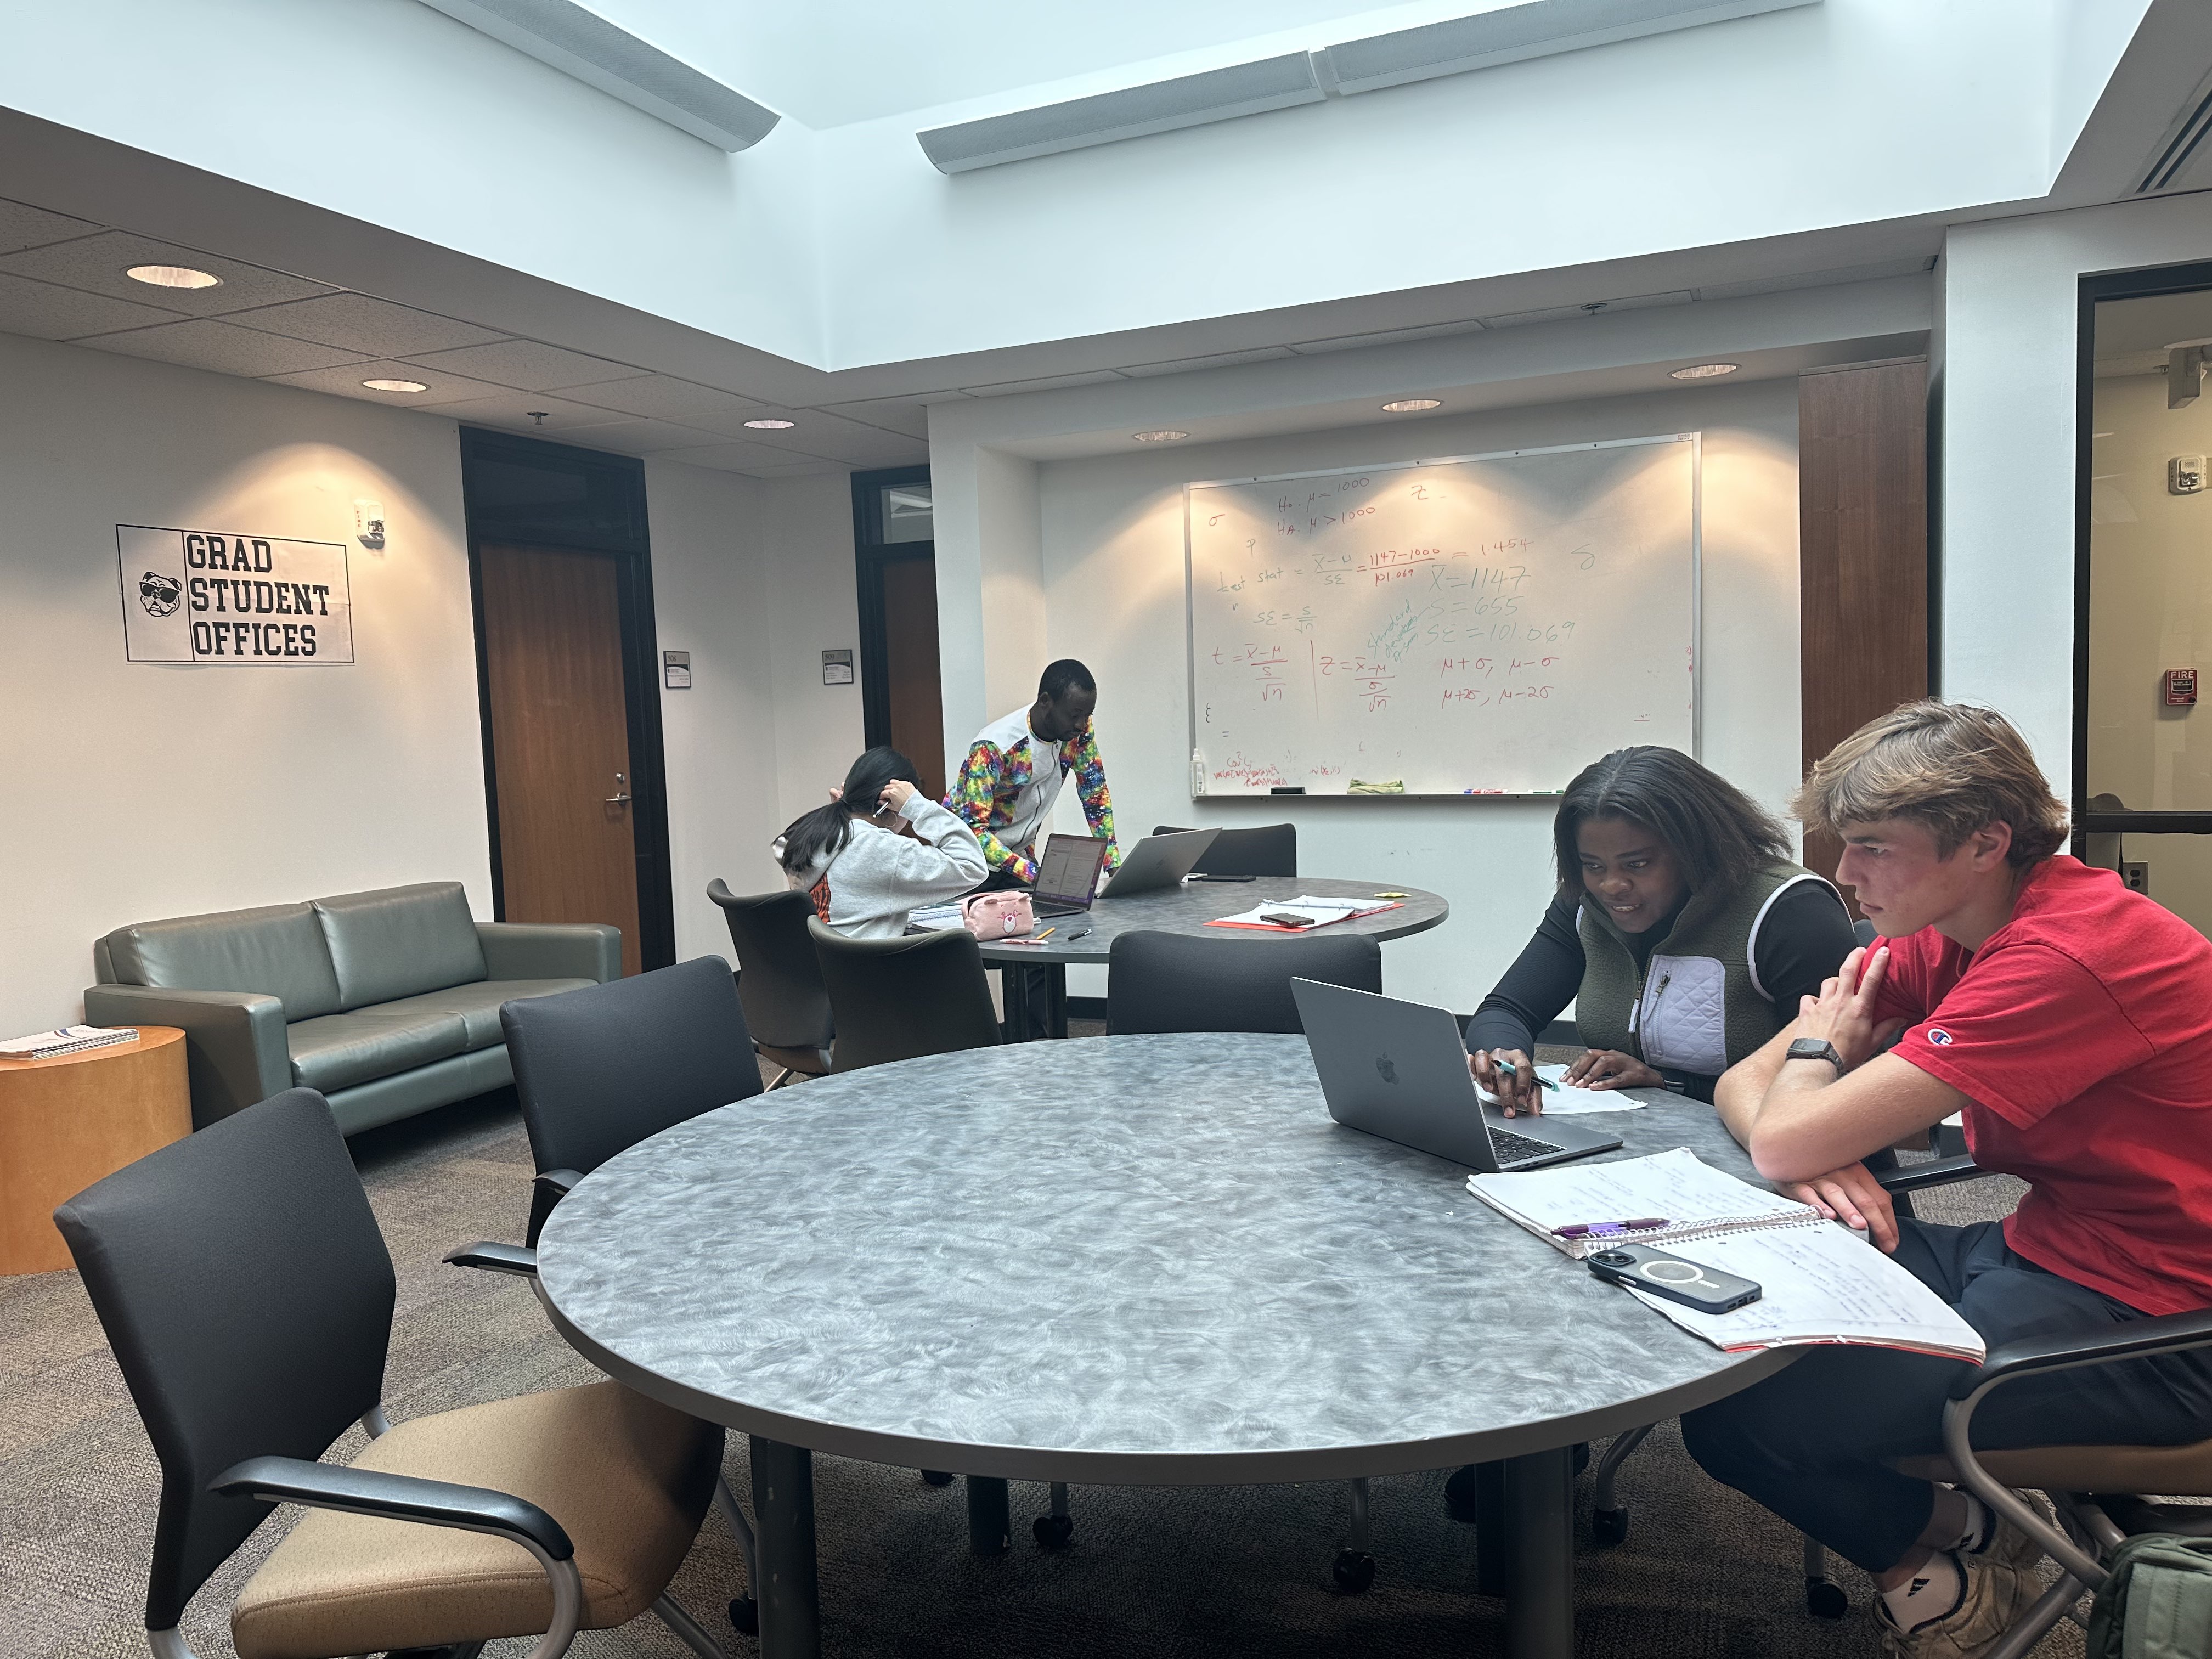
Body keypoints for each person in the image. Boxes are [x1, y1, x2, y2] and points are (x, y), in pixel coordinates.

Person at [1683, 701, 2212, 1658]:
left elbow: (1777, 1122)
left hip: (2164, 1324)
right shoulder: (1962, 922)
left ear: (1985, 841)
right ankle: (1973, 1531)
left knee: (1739, 1408)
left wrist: (1810, 1083)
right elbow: (1740, 1087)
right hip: (2042, 1247)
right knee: (1733, 1311)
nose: (1843, 872)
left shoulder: (2062, 956)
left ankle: (1937, 1581)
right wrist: (1818, 1133)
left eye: (1873, 845)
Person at [1466, 746, 1859, 1114]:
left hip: (1790, 1153)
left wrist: (1671, 1083)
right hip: (1651, 1141)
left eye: (1637, 865)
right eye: (1594, 865)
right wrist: (1502, 1055)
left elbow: (1837, 1080)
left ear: (1697, 849)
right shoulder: (1584, 904)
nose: (1611, 886)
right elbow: (1507, 1009)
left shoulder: (1790, 911)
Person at [778, 746, 986, 939]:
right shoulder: (880, 849)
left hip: (823, 970)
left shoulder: (810, 835)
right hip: (868, 974)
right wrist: (918, 806)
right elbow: (972, 866)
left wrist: (844, 815)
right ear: (889, 804)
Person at [946, 659, 1118, 887]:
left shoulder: (1078, 731)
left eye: (1088, 715)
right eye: (1074, 715)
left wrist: (1113, 866)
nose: (1081, 724)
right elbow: (973, 831)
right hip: (969, 865)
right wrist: (1036, 875)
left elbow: (1094, 793)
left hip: (1018, 859)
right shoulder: (994, 747)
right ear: (1046, 701)